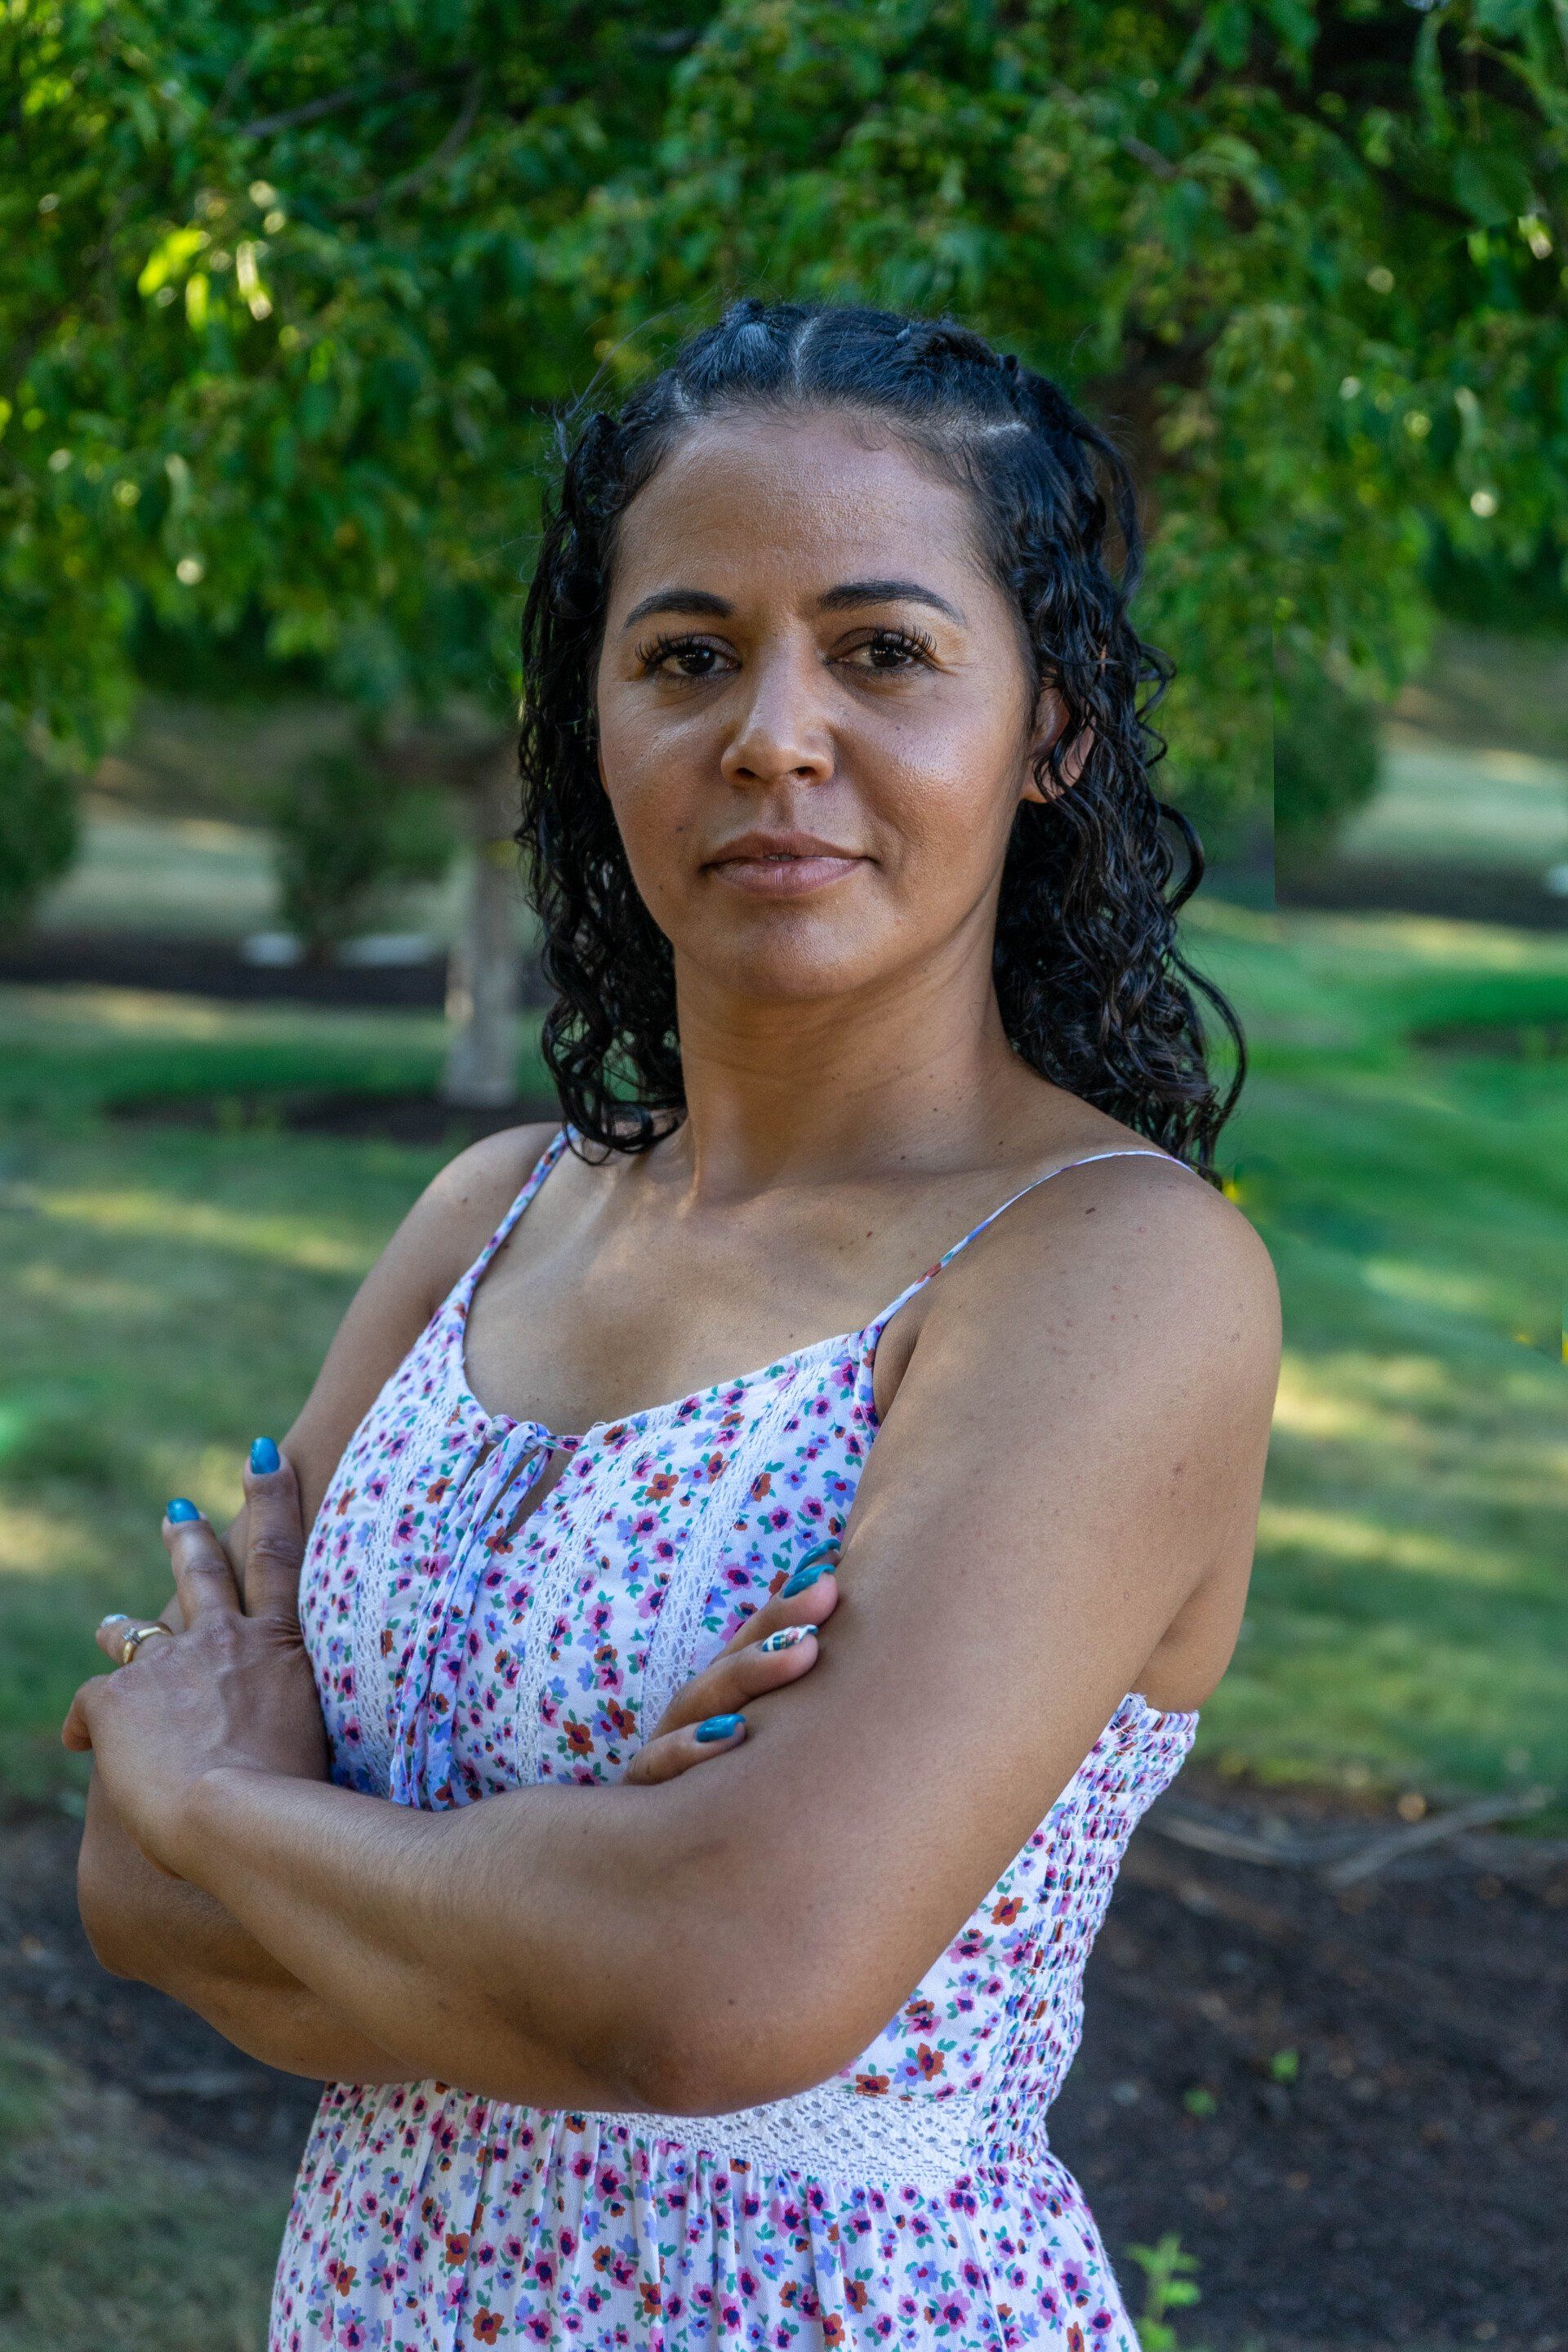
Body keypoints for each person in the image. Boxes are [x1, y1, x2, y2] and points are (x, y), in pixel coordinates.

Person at [68, 301, 1281, 2351]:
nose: (774, 736)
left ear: (1051, 721)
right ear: (596, 719)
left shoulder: (1109, 1273)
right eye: (689, 655)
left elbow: (725, 1985)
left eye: (884, 652)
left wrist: (232, 1808)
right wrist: (570, 1913)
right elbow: (133, 1907)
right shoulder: (488, 1217)